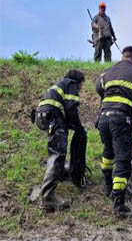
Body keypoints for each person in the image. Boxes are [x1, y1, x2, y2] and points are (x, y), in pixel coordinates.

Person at [95, 46, 132, 218]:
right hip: (121, 119)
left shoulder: (109, 71)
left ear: (123, 56)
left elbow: (99, 87)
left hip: (104, 117)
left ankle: (107, 185)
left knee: (108, 152)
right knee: (123, 161)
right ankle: (119, 204)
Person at [33, 69, 87, 210]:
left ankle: (61, 173)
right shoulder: (71, 84)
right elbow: (71, 109)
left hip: (43, 116)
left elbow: (66, 113)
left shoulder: (59, 85)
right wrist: (80, 128)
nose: (80, 89)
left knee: (58, 147)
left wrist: (74, 127)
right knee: (58, 154)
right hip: (52, 117)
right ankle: (48, 197)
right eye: (81, 86)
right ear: (78, 81)